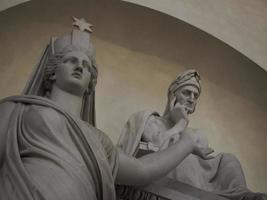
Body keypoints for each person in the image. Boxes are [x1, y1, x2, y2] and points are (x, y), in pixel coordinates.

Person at [0, 18, 214, 200]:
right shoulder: (17, 110)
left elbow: (143, 170)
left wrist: (186, 141)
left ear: (91, 83)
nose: (80, 66)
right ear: (53, 72)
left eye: (86, 65)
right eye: (70, 60)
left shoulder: (98, 140)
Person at [118, 70, 267, 200]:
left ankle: (241, 195)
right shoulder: (149, 120)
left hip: (195, 184)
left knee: (228, 159)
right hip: (156, 178)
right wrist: (181, 123)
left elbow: (200, 168)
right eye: (186, 92)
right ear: (172, 95)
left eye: (195, 96)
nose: (191, 99)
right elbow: (157, 151)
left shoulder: (198, 135)